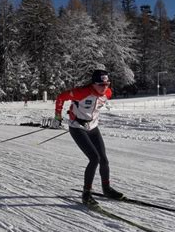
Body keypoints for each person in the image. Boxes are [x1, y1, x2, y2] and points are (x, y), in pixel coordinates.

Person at [52, 69, 123, 206]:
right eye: (101, 85)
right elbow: (61, 97)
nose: (104, 88)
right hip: (77, 128)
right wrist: (57, 116)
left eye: (107, 84)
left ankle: (106, 189)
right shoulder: (82, 92)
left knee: (104, 159)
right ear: (93, 84)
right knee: (94, 158)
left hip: (93, 127)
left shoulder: (108, 93)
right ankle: (86, 194)